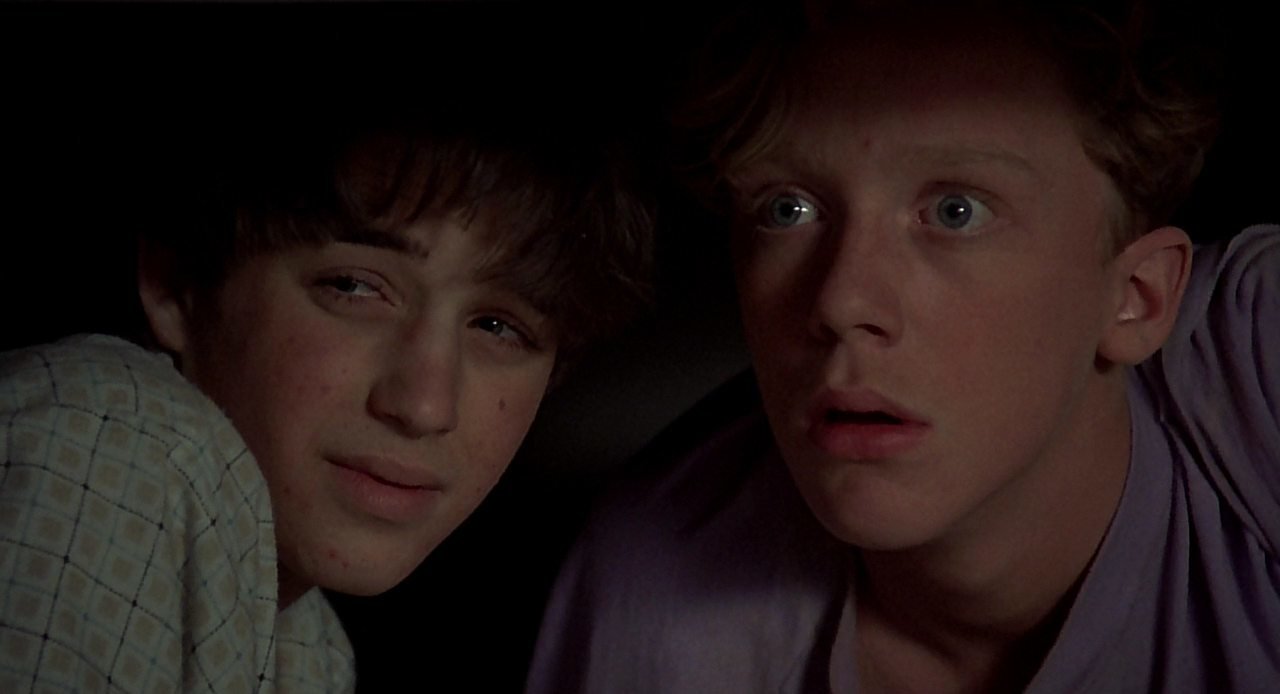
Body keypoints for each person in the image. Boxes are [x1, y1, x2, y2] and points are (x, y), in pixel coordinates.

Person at [526, 1, 1279, 692]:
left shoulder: (1253, 360)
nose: (840, 302)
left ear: (1139, 296)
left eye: (956, 211)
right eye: (787, 210)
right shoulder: (656, 598)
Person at [0, 90, 653, 691]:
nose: (425, 405)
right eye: (354, 287)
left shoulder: (306, 644)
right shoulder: (108, 441)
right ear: (179, 284)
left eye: (497, 327)